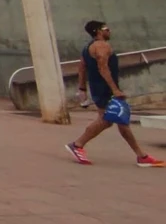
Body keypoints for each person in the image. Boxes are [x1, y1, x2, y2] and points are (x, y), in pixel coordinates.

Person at [65, 20, 163, 167]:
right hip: (106, 89)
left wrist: (82, 88)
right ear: (98, 31)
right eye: (106, 28)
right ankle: (77, 144)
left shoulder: (88, 48)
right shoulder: (102, 46)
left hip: (98, 88)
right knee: (106, 119)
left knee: (121, 121)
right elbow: (103, 68)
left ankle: (141, 156)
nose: (109, 31)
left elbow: (82, 68)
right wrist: (115, 90)